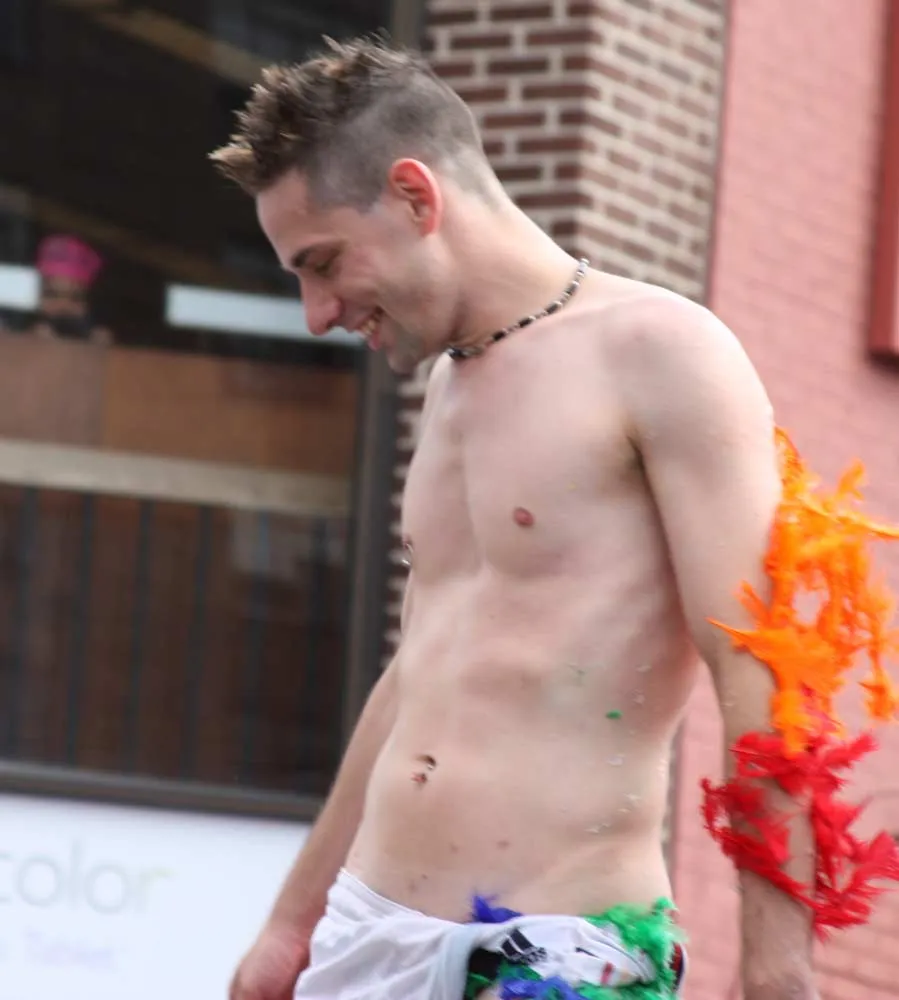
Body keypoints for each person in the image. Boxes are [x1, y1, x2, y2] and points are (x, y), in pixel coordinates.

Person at [210, 36, 897, 1000]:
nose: (317, 312)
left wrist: (777, 970)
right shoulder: (449, 382)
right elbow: (421, 673)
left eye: (323, 263)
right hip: (368, 933)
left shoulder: (659, 351)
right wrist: (294, 923)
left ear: (415, 196)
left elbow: (764, 669)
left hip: (556, 954)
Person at [6, 233, 113, 345]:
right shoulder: (15, 330)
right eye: (51, 295)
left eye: (76, 298)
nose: (63, 305)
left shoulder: (92, 336)